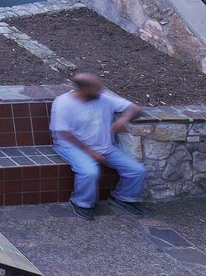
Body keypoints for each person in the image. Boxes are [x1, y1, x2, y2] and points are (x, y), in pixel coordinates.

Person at [50, 72, 150, 219]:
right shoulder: (63, 103)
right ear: (83, 89)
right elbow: (65, 133)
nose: (101, 90)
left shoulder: (102, 99)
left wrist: (123, 120)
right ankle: (81, 202)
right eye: (97, 88)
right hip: (72, 147)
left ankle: (124, 198)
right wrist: (91, 153)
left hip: (105, 147)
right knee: (90, 172)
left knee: (137, 170)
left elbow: (135, 108)